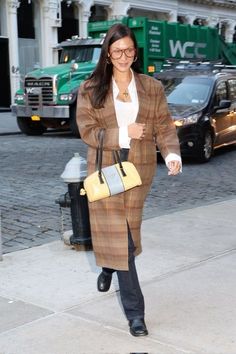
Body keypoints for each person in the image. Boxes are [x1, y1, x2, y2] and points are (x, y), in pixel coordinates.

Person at [76, 23, 181, 337]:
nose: (124, 56)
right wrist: (123, 133)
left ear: (136, 53)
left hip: (139, 169)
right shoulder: (91, 87)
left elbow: (163, 125)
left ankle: (108, 265)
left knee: (126, 233)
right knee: (125, 240)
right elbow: (86, 131)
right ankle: (136, 314)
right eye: (117, 50)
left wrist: (172, 154)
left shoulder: (151, 86)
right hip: (106, 168)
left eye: (129, 50)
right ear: (108, 52)